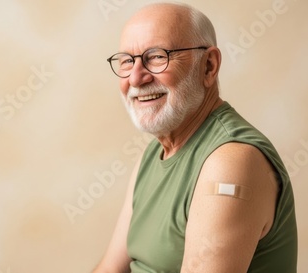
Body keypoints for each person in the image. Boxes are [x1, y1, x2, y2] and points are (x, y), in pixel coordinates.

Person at [93, 2, 297, 273]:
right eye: (128, 61)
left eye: (156, 56)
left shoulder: (231, 162)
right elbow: (111, 268)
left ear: (209, 66)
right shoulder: (153, 155)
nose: (136, 77)